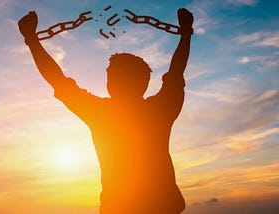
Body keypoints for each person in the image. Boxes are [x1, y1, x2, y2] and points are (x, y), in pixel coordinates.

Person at [18, 7, 193, 214]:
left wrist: (32, 40)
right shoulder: (160, 109)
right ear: (143, 82)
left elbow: (57, 79)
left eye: (111, 75)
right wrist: (185, 33)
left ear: (112, 82)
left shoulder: (100, 114)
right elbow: (176, 72)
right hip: (163, 206)